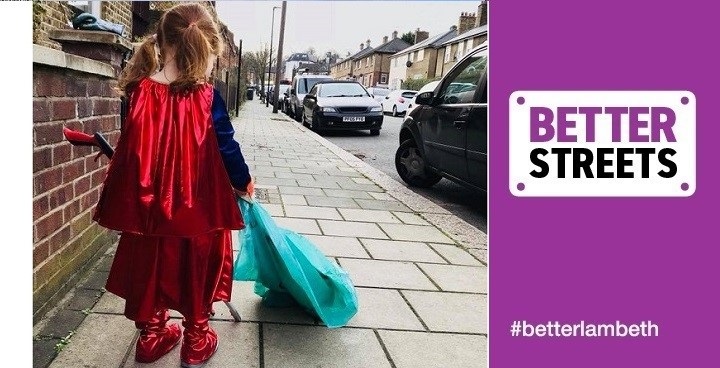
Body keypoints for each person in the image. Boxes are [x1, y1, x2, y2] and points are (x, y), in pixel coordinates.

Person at [94, 3, 253, 367]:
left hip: (148, 211)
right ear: (206, 50)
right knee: (197, 268)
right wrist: (243, 182)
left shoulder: (137, 91)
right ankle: (196, 339)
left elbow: (130, 149)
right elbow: (227, 147)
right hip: (198, 209)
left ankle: (152, 335)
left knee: (150, 266)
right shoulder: (208, 97)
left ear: (161, 42)